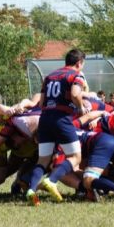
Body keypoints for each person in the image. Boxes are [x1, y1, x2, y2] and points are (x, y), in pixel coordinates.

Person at [24, 48, 87, 206]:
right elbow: (74, 94)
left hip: (45, 118)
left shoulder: (50, 76)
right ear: (79, 63)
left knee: (43, 160)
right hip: (62, 119)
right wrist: (80, 107)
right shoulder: (76, 75)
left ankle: (31, 190)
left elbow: (41, 102)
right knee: (75, 157)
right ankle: (51, 181)